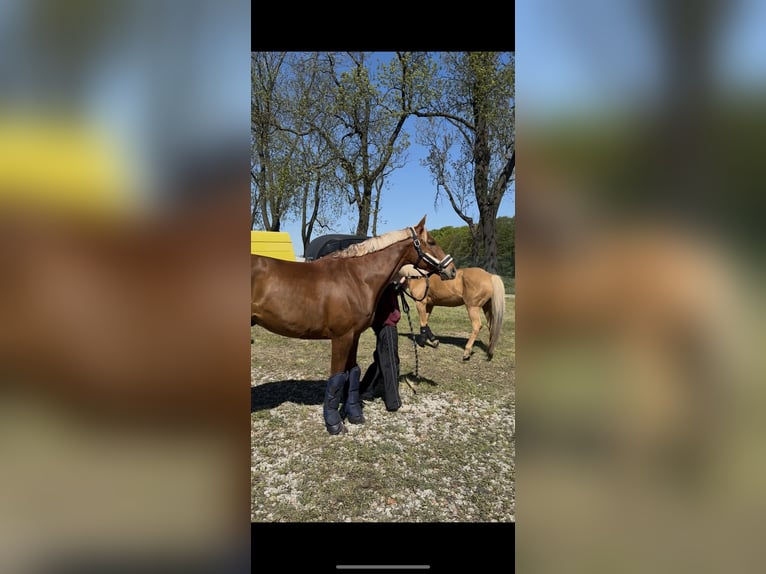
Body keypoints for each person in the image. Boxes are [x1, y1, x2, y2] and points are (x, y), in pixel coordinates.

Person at [358, 277, 407, 411]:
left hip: (384, 320)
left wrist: (399, 286)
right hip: (386, 321)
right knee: (391, 360)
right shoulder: (383, 276)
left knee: (382, 357)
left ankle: (366, 389)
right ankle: (393, 402)